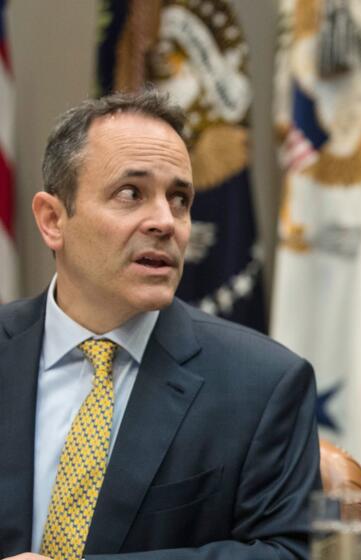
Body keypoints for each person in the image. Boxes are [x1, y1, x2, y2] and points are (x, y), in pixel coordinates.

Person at [0, 91, 320, 560]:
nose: (165, 222)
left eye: (179, 199)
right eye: (131, 193)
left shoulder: (264, 384)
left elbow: (288, 554)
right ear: (53, 220)